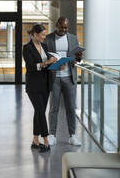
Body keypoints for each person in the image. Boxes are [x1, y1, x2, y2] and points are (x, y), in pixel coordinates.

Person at [44, 17, 82, 146]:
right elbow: (44, 58)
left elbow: (76, 59)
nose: (64, 30)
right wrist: (53, 62)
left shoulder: (73, 38)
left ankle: (72, 136)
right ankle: (52, 135)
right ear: (56, 26)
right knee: (54, 107)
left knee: (71, 107)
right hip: (54, 78)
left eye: (66, 27)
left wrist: (78, 57)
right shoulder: (48, 38)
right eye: (61, 27)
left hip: (69, 78)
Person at [23, 24, 57, 153]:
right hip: (33, 85)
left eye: (45, 34)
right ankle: (46, 140)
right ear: (35, 34)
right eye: (42, 35)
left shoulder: (44, 46)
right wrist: (47, 62)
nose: (44, 37)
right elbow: (32, 67)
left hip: (45, 84)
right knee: (41, 112)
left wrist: (56, 64)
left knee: (39, 112)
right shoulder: (27, 48)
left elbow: (46, 66)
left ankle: (35, 140)